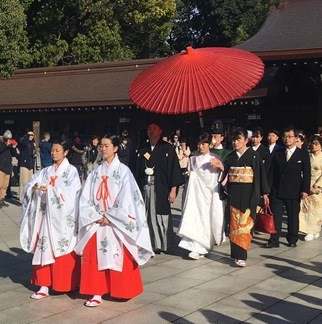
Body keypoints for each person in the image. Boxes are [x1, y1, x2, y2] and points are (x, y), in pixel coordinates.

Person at [76, 134, 153, 307]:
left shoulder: (124, 171)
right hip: (97, 221)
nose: (103, 149)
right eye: (101, 146)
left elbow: (128, 199)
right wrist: (96, 216)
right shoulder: (95, 173)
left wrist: (111, 217)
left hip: (116, 223)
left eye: (107, 146)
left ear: (116, 148)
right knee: (94, 256)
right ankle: (96, 291)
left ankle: (120, 290)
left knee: (118, 254)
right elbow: (85, 197)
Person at [20, 140, 81, 300]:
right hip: (45, 217)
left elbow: (73, 194)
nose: (54, 153)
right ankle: (43, 285)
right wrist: (34, 188)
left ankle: (65, 284)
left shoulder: (71, 171)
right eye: (52, 150)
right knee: (43, 248)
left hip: (61, 220)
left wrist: (51, 190)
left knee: (62, 248)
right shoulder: (45, 171)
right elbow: (30, 183)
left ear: (65, 152)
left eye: (57, 150)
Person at [213, 127, 269, 266]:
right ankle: (235, 254)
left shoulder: (254, 156)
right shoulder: (230, 157)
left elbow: (259, 176)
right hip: (234, 193)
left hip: (249, 193)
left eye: (238, 139)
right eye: (233, 140)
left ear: (246, 140)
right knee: (234, 225)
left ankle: (242, 255)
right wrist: (221, 169)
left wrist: (263, 193)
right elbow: (225, 175)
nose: (235, 142)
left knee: (245, 224)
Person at [136, 122, 183, 254]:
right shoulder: (143, 148)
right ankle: (148, 243)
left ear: (160, 131)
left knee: (160, 216)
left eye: (154, 128)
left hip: (161, 187)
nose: (151, 131)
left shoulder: (167, 148)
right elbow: (137, 170)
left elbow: (174, 170)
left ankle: (160, 243)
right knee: (145, 215)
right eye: (149, 128)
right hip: (145, 187)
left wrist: (173, 190)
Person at [177, 134, 224, 260]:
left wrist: (220, 166)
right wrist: (189, 175)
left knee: (205, 220)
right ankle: (194, 246)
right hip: (195, 194)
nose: (201, 146)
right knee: (193, 217)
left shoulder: (215, 157)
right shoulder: (193, 159)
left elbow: (221, 176)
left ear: (209, 144)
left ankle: (203, 246)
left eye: (203, 144)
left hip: (208, 194)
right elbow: (188, 174)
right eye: (199, 144)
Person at [264, 128, 311, 249]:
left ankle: (292, 238)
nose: (287, 139)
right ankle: (274, 239)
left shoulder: (303, 154)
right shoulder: (278, 153)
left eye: (290, 136)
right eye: (285, 136)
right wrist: (267, 189)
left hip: (294, 190)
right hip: (277, 190)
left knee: (293, 216)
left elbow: (307, 174)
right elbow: (271, 172)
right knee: (276, 216)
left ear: (296, 138)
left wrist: (305, 190)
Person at [299, 135, 322, 241]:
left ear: (321, 146)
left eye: (316, 144)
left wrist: (317, 186)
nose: (313, 145)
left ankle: (314, 231)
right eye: (312, 143)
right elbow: (301, 170)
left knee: (316, 210)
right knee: (305, 210)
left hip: (318, 187)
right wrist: (304, 184)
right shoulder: (307, 156)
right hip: (306, 184)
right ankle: (307, 230)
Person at [0, 132, 15, 206]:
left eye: (9, 139)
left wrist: (13, 147)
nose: (8, 140)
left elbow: (14, 154)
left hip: (8, 167)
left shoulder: (10, 145)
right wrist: (6, 145)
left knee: (5, 185)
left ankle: (2, 198)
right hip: (0, 166)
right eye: (7, 139)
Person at [17, 131, 36, 197]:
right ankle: (22, 198)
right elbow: (23, 144)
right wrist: (27, 137)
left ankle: (28, 196)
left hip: (30, 164)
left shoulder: (32, 143)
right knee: (23, 182)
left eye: (32, 135)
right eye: (29, 135)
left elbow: (32, 152)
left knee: (30, 182)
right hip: (24, 164)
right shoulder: (23, 141)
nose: (31, 136)